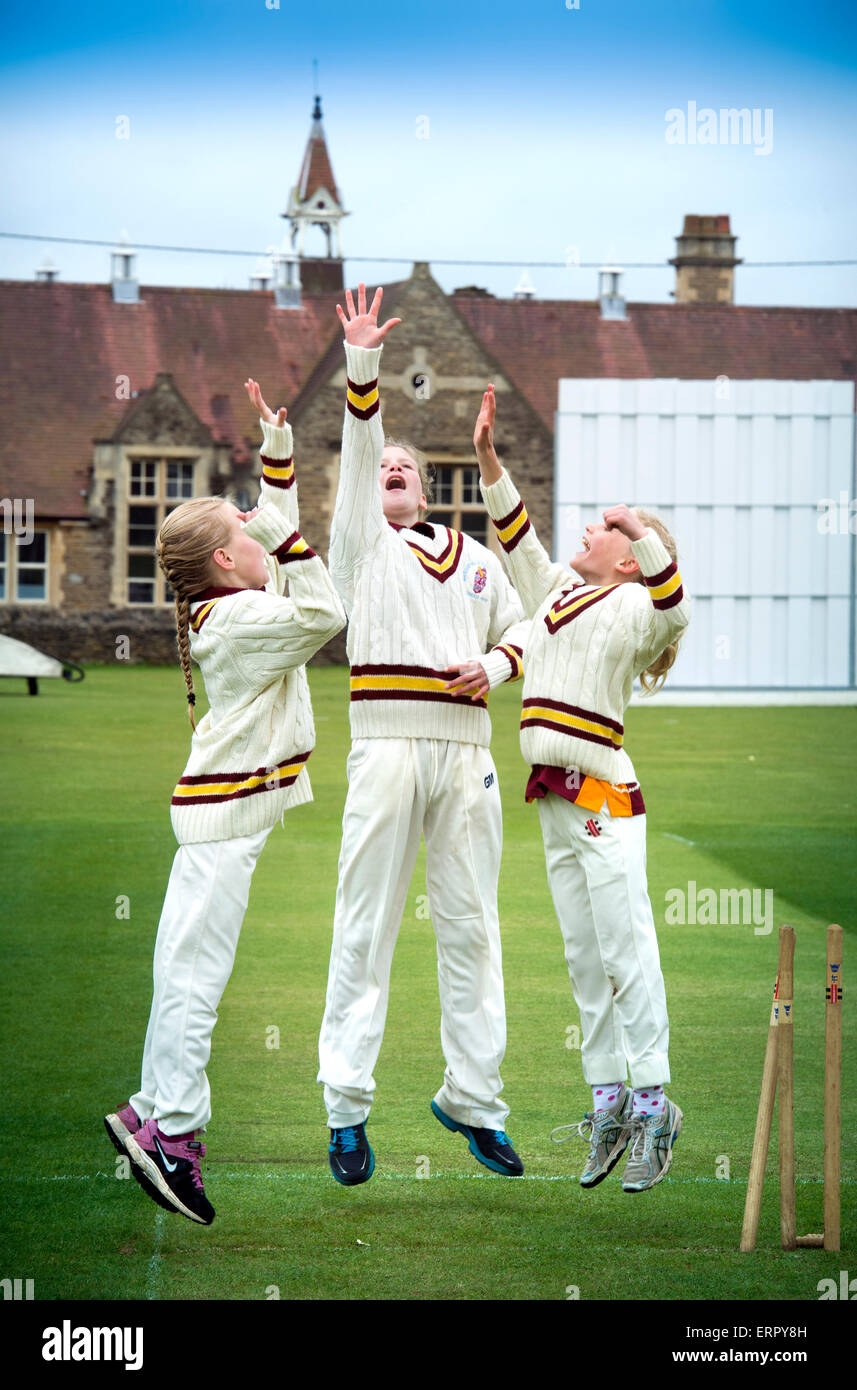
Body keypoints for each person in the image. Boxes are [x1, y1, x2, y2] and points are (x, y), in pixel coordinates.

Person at [104, 386, 346, 1224]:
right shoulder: (243, 617)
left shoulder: (233, 601)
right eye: (244, 534)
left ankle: (147, 1108)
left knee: (182, 967)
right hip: (228, 811)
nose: (258, 539)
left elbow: (277, 565)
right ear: (224, 562)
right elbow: (324, 609)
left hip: (221, 810)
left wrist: (277, 450)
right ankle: (173, 1133)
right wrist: (291, 533)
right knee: (194, 980)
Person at [317, 286, 529, 1184]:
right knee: (365, 921)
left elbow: (529, 625)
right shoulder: (360, 545)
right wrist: (362, 368)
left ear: (427, 483)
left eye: (405, 465)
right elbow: (364, 442)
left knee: (472, 923)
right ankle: (344, 1108)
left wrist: (500, 667)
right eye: (380, 466)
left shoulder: (476, 558)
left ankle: (473, 1101)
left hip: (468, 754)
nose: (391, 468)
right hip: (388, 746)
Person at [474, 381, 690, 1194]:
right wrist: (489, 457)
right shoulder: (557, 593)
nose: (588, 531)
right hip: (555, 797)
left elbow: (676, 612)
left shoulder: (635, 604)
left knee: (626, 947)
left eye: (602, 530)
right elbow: (514, 533)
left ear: (626, 558)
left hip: (604, 795)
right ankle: (607, 1101)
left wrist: (640, 529)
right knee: (582, 953)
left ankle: (654, 1102)